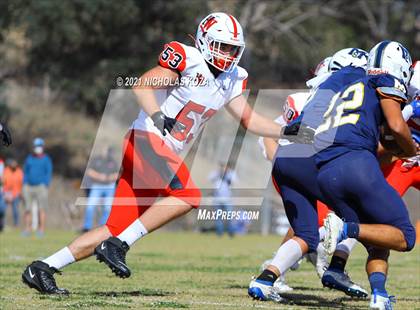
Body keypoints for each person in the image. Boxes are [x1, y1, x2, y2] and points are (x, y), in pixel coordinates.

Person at [22, 12, 285, 295]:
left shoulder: (233, 78)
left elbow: (250, 120)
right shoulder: (188, 59)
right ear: (205, 41)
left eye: (233, 48)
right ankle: (120, 245)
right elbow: (142, 84)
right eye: (222, 46)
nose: (228, 54)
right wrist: (159, 116)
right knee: (189, 196)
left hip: (161, 153)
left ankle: (42, 268)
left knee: (114, 228)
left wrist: (291, 131)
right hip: (146, 141)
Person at [249, 48, 369, 302]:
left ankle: (267, 278)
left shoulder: (310, 97)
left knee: (306, 231)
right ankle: (333, 267)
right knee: (359, 214)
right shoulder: (346, 102)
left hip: (289, 165)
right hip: (312, 165)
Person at [315, 41, 417, 310]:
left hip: (324, 170)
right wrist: (410, 148)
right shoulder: (384, 79)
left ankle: (379, 295)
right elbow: (396, 125)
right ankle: (343, 229)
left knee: (380, 234)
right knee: (405, 236)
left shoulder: (342, 80)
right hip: (355, 163)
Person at [82, 147, 119, 232]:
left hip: (110, 187)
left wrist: (109, 177)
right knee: (90, 206)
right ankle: (86, 227)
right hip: (97, 186)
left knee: (107, 208)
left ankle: (103, 227)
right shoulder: (96, 160)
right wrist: (99, 176)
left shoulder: (113, 162)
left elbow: (117, 174)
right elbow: (89, 171)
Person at [22, 138, 53, 237]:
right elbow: (25, 171)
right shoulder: (29, 158)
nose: (37, 148)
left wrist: (45, 183)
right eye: (35, 146)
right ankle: (27, 229)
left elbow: (48, 172)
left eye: (39, 146)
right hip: (28, 186)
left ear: (42, 147)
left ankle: (41, 229)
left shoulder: (46, 159)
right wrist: (25, 182)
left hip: (41, 186)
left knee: (42, 208)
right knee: (27, 208)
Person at [208, 162, 236, 236]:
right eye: (222, 167)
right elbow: (210, 178)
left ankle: (231, 232)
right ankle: (219, 233)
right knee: (218, 217)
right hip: (217, 200)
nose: (224, 168)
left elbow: (234, 181)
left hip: (227, 200)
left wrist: (226, 175)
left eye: (225, 167)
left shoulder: (231, 174)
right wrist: (219, 174)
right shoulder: (216, 174)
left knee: (229, 217)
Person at [3, 159, 24, 227]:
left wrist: (21, 192)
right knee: (2, 209)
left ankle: (16, 224)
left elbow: (22, 183)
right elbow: (3, 181)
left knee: (15, 209)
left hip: (16, 193)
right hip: (6, 193)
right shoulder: (6, 171)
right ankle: (2, 224)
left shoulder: (19, 171)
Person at [0, 157, 6, 232]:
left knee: (1, 209)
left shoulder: (1, 162)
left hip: (1, 190)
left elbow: (3, 177)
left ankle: (1, 225)